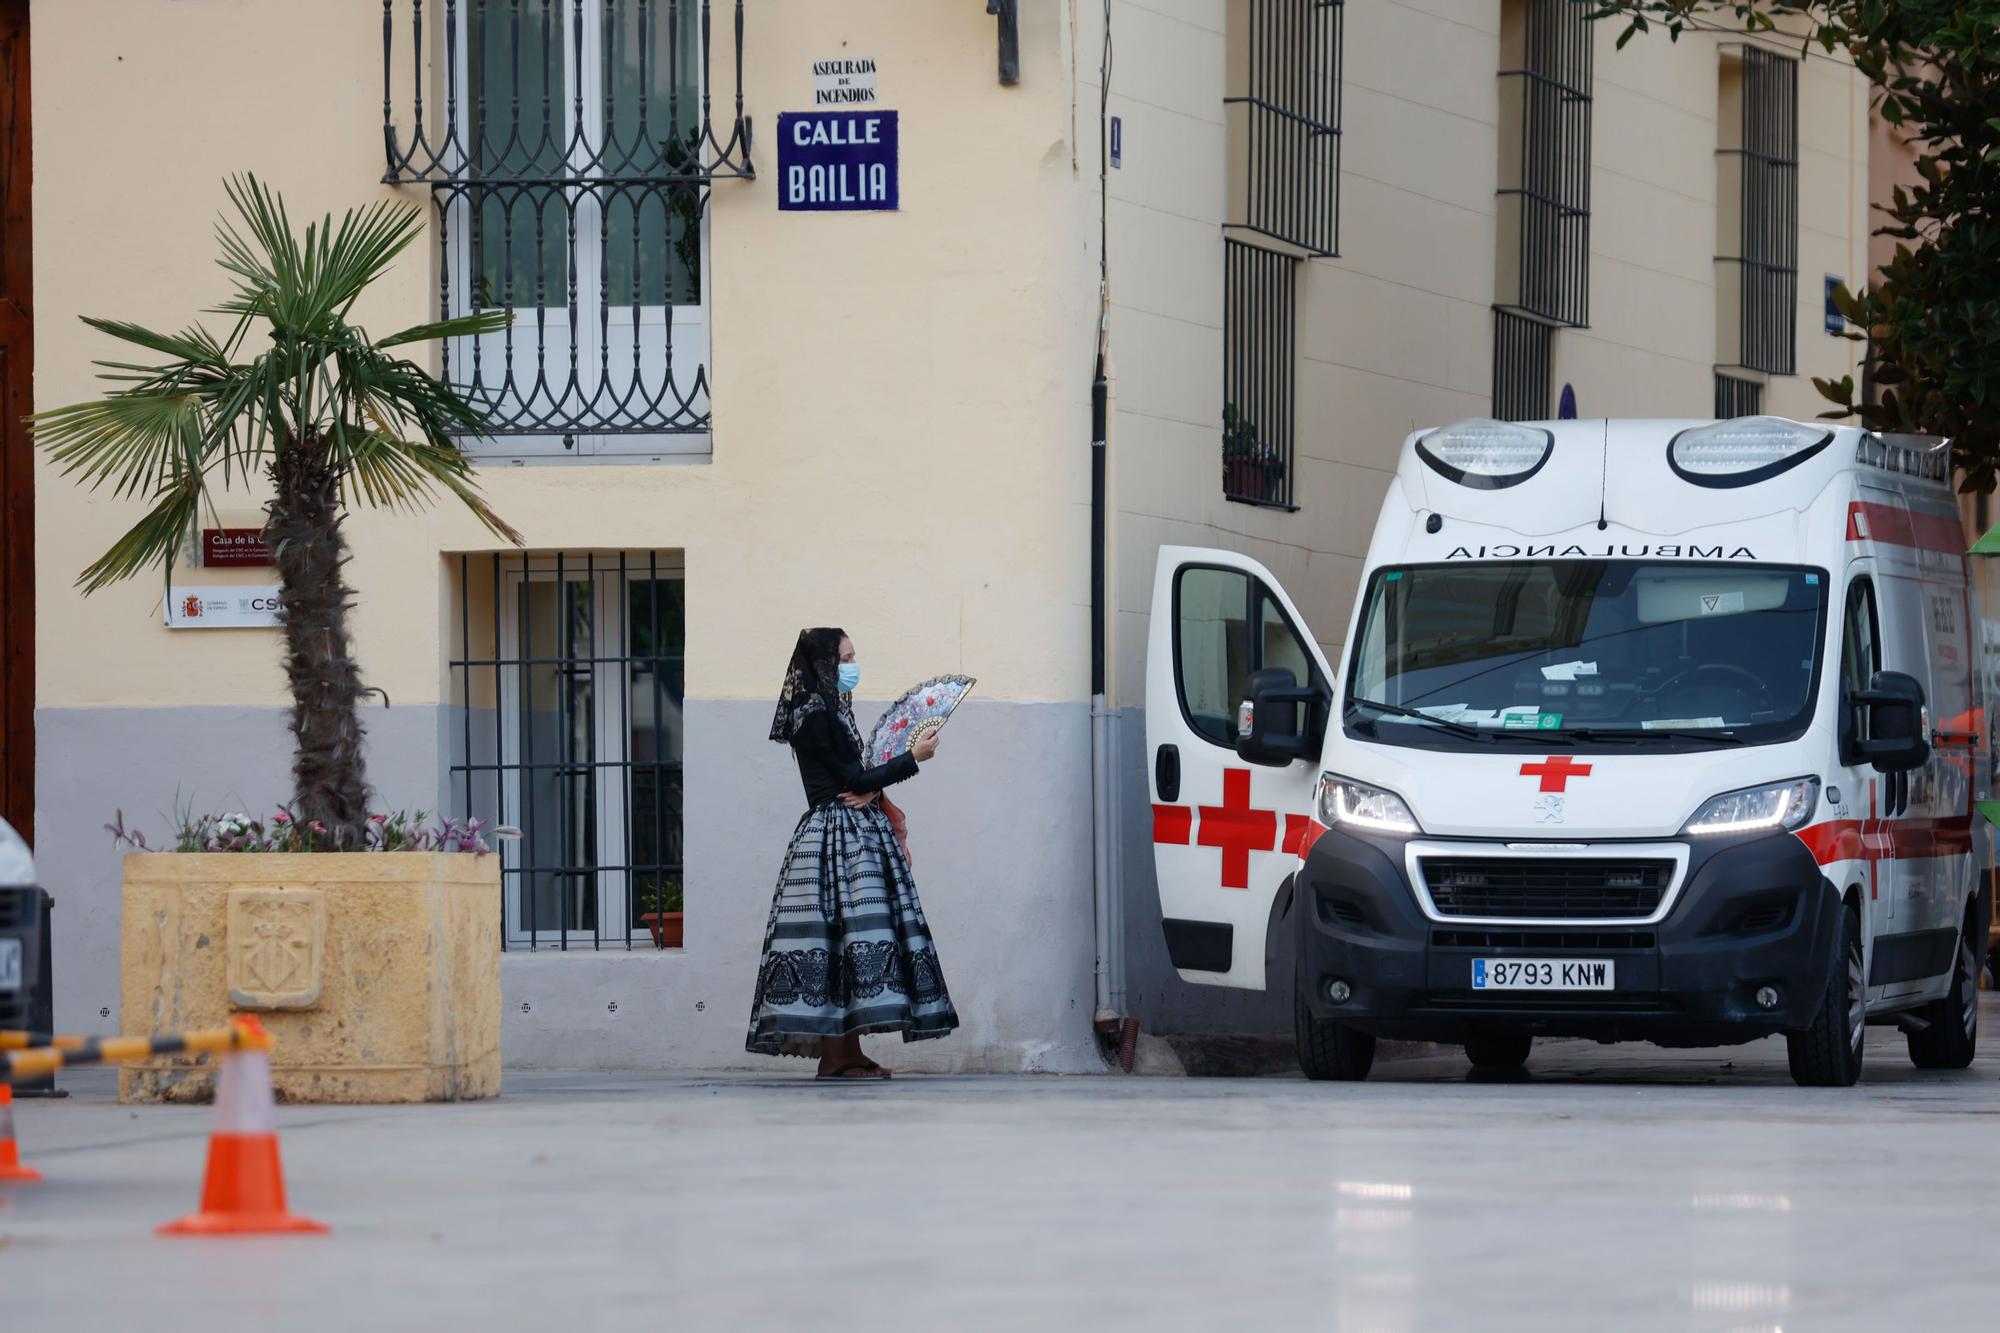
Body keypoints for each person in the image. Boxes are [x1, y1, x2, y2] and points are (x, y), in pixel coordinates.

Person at [746, 628, 961, 1079]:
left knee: (853, 940)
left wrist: (873, 785)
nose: (852, 665)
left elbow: (858, 779)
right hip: (835, 835)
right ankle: (835, 1057)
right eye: (846, 657)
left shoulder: (831, 710)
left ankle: (849, 1051)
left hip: (848, 830)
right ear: (823, 664)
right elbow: (852, 780)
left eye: (853, 657)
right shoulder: (816, 715)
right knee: (840, 939)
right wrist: (913, 757)